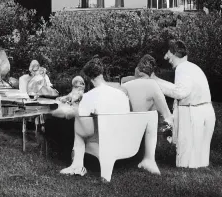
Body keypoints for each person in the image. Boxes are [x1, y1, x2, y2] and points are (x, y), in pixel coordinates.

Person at [60, 58, 152, 177]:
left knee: (79, 123)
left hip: (105, 144)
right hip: (126, 142)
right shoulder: (121, 94)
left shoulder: (89, 96)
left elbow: (84, 124)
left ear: (88, 78)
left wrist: (74, 108)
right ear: (102, 74)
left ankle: (77, 165)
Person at [153, 40, 215, 169]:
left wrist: (156, 83)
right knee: (198, 158)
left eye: (168, 53)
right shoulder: (192, 67)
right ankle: (198, 167)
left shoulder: (182, 68)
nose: (166, 57)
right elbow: (179, 88)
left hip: (193, 113)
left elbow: (181, 93)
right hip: (204, 110)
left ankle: (189, 169)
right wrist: (157, 81)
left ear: (175, 53)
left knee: (186, 161)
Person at [120, 55, 172, 122]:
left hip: (127, 124)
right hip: (143, 125)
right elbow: (166, 114)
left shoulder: (125, 85)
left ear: (138, 70)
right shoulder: (152, 84)